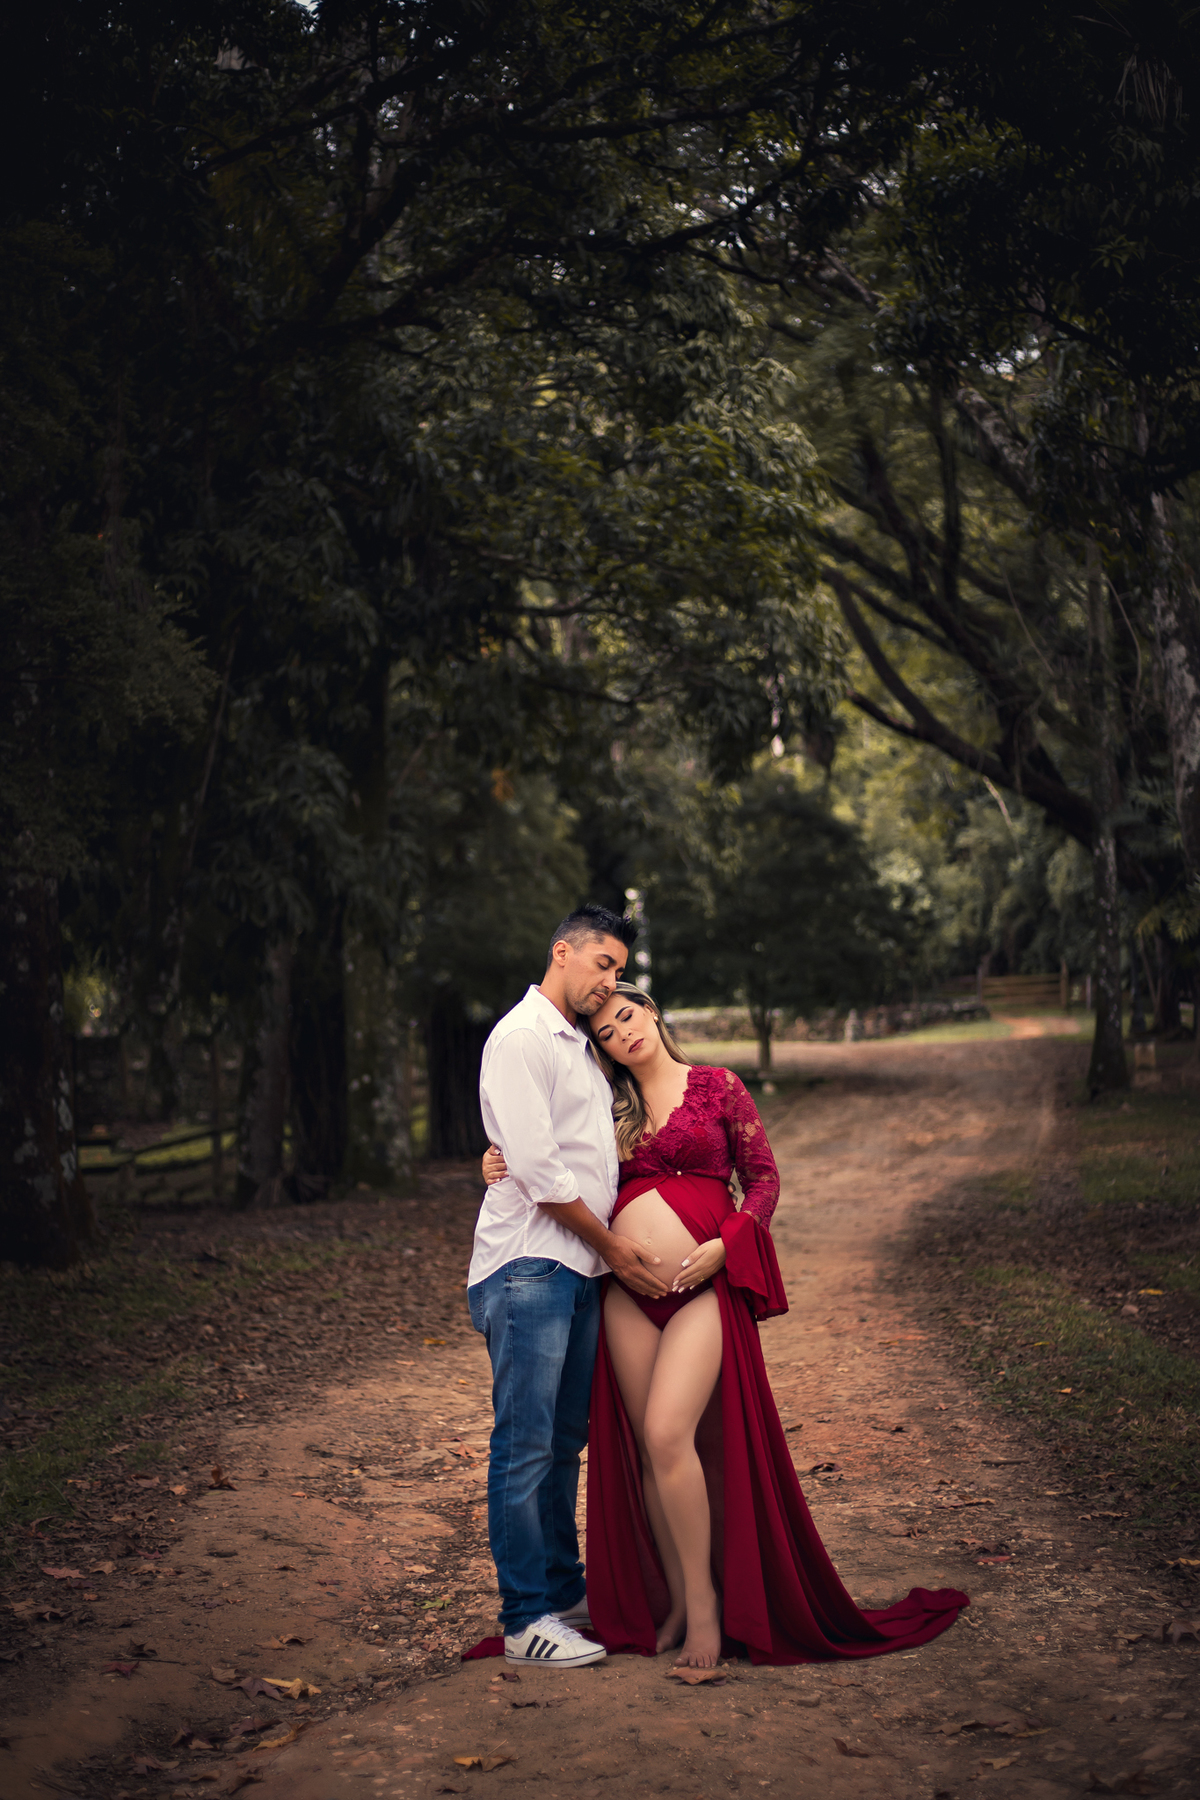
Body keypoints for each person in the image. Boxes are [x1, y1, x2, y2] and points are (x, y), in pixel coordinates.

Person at [482, 982, 967, 1668]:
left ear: (650, 1011)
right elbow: (547, 1152)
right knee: (649, 1451)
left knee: (667, 1431)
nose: (623, 1032)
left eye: (629, 1015)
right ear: (604, 1051)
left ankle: (708, 1609)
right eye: (608, 1032)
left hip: (703, 1282)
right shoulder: (603, 1104)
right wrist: (494, 1159)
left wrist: (731, 1241)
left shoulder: (718, 1087)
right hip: (628, 1291)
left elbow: (763, 1178)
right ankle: (677, 1599)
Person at [467, 908, 671, 1669]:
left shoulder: (577, 1048)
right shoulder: (522, 1037)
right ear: (563, 952)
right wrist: (615, 1248)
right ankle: (525, 1619)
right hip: (530, 1265)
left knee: (560, 1447)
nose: (610, 980)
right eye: (602, 964)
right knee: (524, 1448)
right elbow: (544, 1175)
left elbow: (570, 1153)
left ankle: (558, 1594)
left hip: (572, 1268)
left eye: (618, 970)